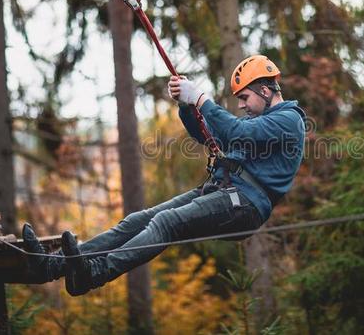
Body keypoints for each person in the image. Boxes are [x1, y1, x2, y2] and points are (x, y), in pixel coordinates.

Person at [22, 55, 306, 296]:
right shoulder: (258, 122)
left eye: (244, 97)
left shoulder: (288, 120)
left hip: (245, 205)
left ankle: (94, 273)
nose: (242, 105)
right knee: (138, 221)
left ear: (266, 91)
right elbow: (211, 135)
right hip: (223, 192)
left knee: (167, 222)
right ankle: (52, 265)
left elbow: (235, 132)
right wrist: (186, 105)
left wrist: (202, 98)